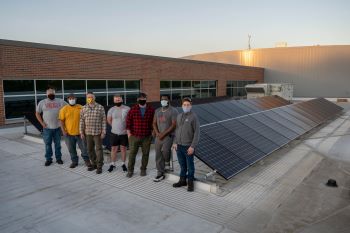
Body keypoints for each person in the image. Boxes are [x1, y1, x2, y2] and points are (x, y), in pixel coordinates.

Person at [172, 97, 200, 192]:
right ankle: (182, 180)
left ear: (191, 106)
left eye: (188, 105)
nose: (186, 106)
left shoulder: (194, 117)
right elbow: (177, 130)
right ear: (182, 106)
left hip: (188, 147)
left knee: (190, 166)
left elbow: (197, 132)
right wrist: (175, 142)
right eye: (184, 105)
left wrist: (192, 146)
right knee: (182, 165)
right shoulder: (179, 116)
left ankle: (190, 183)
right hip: (179, 146)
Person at [126, 92, 155, 178]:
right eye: (140, 99)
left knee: (145, 154)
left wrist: (153, 132)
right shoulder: (133, 109)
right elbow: (128, 122)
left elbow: (153, 122)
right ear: (137, 100)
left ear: (146, 99)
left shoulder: (151, 110)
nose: (142, 100)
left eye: (144, 99)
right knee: (132, 154)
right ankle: (130, 170)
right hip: (134, 136)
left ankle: (143, 169)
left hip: (146, 136)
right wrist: (129, 133)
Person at [36, 87, 67, 166]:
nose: (51, 95)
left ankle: (58, 158)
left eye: (52, 93)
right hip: (47, 128)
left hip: (57, 127)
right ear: (46, 94)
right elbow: (37, 113)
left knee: (58, 145)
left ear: (55, 93)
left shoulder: (60, 101)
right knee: (48, 144)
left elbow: (68, 108)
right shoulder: (42, 102)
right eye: (49, 94)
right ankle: (48, 159)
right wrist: (41, 123)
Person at [59, 93, 91, 168]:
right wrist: (63, 131)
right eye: (70, 99)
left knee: (84, 149)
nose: (72, 100)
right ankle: (74, 161)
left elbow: (86, 118)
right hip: (69, 134)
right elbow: (61, 121)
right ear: (67, 100)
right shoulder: (64, 109)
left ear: (75, 99)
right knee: (71, 149)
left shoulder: (81, 107)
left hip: (80, 133)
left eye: (73, 98)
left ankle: (87, 161)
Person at [152, 94, 178, 182]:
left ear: (168, 100)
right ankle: (160, 173)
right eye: (162, 99)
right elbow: (154, 123)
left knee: (166, 152)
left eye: (165, 99)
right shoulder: (157, 111)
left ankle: (167, 163)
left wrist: (164, 134)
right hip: (158, 136)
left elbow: (174, 125)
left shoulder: (173, 111)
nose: (163, 101)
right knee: (158, 154)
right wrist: (157, 133)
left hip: (168, 136)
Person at [79, 92, 106, 174]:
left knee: (98, 149)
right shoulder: (83, 108)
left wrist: (103, 132)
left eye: (91, 97)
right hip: (88, 133)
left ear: (94, 98)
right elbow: (81, 121)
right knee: (90, 149)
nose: (89, 98)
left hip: (97, 133)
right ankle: (94, 163)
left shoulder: (100, 107)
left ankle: (99, 166)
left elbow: (104, 120)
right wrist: (81, 132)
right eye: (88, 97)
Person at [107, 94, 130, 172]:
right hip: (114, 133)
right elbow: (109, 120)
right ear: (114, 101)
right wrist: (115, 127)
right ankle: (112, 164)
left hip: (124, 133)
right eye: (116, 100)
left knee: (123, 149)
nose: (118, 101)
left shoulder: (127, 109)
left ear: (122, 100)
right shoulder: (111, 110)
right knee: (113, 149)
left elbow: (130, 120)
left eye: (119, 99)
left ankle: (123, 164)